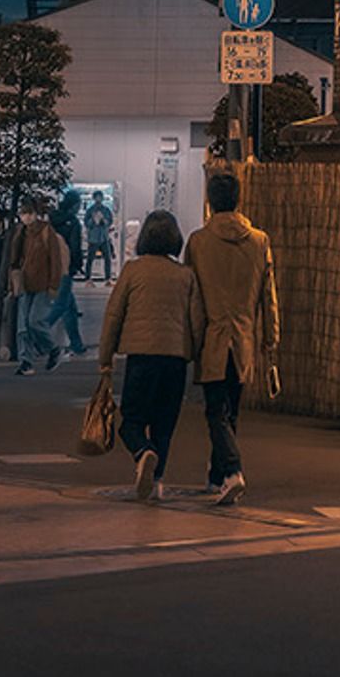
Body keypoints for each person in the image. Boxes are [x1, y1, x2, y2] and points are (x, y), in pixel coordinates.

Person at [184, 170, 279, 508]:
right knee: (231, 410)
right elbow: (268, 296)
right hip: (244, 337)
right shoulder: (259, 240)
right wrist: (271, 337)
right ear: (238, 199)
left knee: (214, 410)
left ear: (210, 201)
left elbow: (193, 298)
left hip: (212, 335)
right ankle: (217, 475)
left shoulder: (197, 242)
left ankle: (233, 471)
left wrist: (191, 340)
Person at [97, 210, 195, 500]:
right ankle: (157, 481)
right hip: (176, 359)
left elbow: (113, 316)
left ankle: (143, 452)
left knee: (131, 422)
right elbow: (196, 319)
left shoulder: (133, 270)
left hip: (141, 358)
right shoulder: (185, 275)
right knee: (164, 426)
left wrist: (105, 359)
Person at [11, 199, 71, 372]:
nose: (26, 217)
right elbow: (14, 262)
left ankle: (53, 349)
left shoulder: (46, 231)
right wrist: (12, 283)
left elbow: (55, 260)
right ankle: (26, 362)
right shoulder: (20, 233)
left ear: (36, 214)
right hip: (24, 284)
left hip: (43, 284)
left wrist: (54, 285)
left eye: (29, 213)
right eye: (23, 213)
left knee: (35, 321)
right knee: (23, 327)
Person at [45, 189, 87, 359]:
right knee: (61, 305)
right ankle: (36, 336)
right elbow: (75, 247)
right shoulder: (73, 223)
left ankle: (77, 344)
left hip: (53, 265)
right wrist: (78, 264)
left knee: (70, 308)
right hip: (66, 267)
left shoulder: (52, 220)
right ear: (74, 205)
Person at [82, 194, 116, 281]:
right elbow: (86, 223)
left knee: (107, 258)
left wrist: (104, 220)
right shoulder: (90, 210)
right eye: (97, 197)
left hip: (104, 237)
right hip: (93, 237)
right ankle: (87, 277)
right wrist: (93, 220)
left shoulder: (106, 210)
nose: (98, 199)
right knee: (90, 258)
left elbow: (110, 221)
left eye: (100, 197)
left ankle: (108, 278)